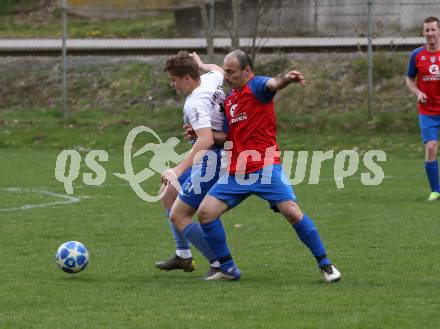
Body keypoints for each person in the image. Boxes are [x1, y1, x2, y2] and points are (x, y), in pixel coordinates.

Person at [195, 50, 341, 282]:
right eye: (226, 71)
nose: (227, 76)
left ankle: (326, 265)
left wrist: (287, 79)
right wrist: (201, 133)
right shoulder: (230, 100)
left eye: (231, 72)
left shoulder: (258, 86)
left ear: (247, 71)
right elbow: (228, 137)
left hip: (265, 166)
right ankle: (228, 268)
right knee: (205, 213)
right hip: (237, 172)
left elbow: (274, 83)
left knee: (292, 212)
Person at [155, 51, 227, 276]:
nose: (172, 85)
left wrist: (178, 168)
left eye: (174, 80)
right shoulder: (209, 78)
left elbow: (205, 140)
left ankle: (219, 263)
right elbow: (219, 70)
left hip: (214, 160)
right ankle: (183, 256)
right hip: (210, 155)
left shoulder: (194, 103)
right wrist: (202, 64)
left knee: (180, 214)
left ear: (187, 78)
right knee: (168, 193)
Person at [406, 16, 440, 201]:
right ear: (423, 32)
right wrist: (418, 92)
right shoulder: (416, 55)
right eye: (427, 30)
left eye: (433, 29)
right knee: (431, 148)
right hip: (428, 112)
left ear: (439, 31)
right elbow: (409, 79)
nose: (430, 33)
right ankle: (436, 190)